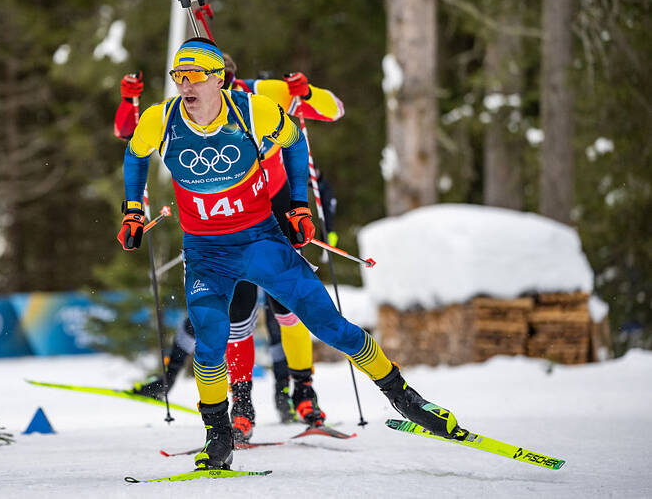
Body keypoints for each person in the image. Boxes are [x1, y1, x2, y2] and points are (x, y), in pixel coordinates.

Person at [117, 37, 463, 470]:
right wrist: (132, 212)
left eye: (195, 77)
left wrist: (299, 205)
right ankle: (219, 435)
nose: (186, 86)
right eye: (179, 77)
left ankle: (404, 398)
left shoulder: (253, 109)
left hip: (262, 242)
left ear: (218, 79)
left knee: (330, 325)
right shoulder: (160, 120)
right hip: (206, 252)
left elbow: (297, 142)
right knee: (210, 342)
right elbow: (134, 155)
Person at [115, 54, 345, 440]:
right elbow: (131, 137)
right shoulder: (187, 110)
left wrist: (306, 92)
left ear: (226, 79)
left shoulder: (261, 96)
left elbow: (332, 110)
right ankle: (242, 404)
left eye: (220, 83)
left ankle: (304, 391)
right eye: (185, 80)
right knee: (238, 312)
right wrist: (127, 101)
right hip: (223, 219)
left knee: (287, 308)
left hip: (275, 203)